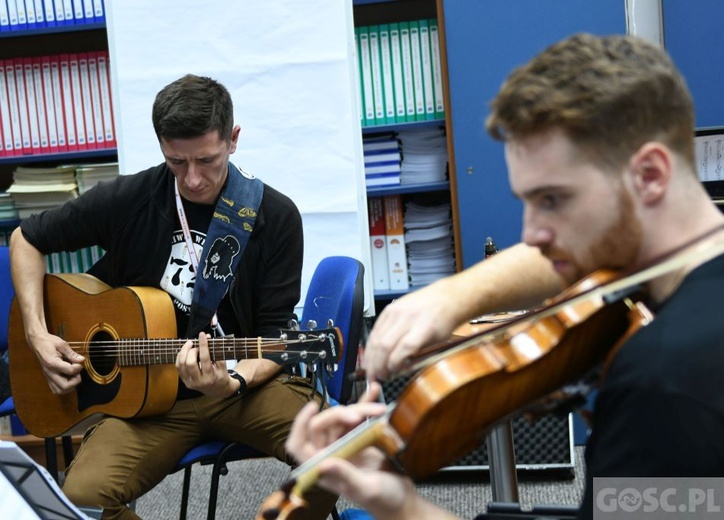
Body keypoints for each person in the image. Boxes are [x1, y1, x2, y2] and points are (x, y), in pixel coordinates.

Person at [284, 33, 724, 520]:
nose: (530, 234)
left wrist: (406, 511)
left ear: (650, 175)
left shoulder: (663, 383)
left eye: (552, 199)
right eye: (527, 201)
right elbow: (688, 506)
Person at [9, 74, 337, 520]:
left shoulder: (274, 217)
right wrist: (37, 333)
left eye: (206, 160)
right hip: (144, 404)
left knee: (334, 449)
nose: (194, 179)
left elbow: (277, 334)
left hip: (243, 389)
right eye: (176, 162)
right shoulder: (130, 198)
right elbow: (25, 239)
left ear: (233, 139)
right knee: (81, 498)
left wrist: (233, 381)